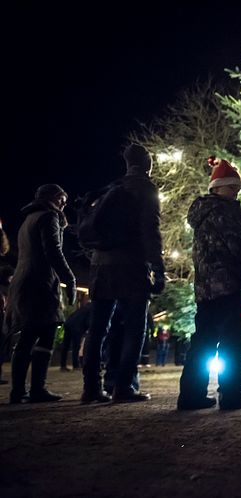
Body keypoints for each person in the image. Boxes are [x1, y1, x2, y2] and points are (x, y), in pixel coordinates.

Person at [81, 143, 165, 403]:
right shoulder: (146, 189)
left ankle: (91, 388)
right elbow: (150, 231)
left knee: (98, 328)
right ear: (148, 164)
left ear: (127, 163)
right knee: (135, 326)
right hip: (131, 264)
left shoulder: (112, 187)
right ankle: (124, 386)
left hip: (100, 265)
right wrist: (158, 269)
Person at [177, 159, 241, 411]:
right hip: (229, 284)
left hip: (206, 289)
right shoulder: (225, 211)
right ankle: (231, 395)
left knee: (203, 342)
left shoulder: (202, 214)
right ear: (218, 188)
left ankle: (191, 395)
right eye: (232, 188)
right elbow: (236, 245)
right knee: (234, 341)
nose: (236, 193)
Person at [6, 184, 76, 403]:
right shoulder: (48, 217)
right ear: (51, 198)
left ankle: (18, 391)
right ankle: (38, 388)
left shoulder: (28, 220)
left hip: (23, 280)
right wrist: (69, 278)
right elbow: (53, 251)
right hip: (40, 282)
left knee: (28, 335)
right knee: (46, 333)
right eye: (61, 200)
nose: (63, 205)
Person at [60, 300, 92, 371]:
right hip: (77, 327)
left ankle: (63, 365)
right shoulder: (92, 309)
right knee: (76, 346)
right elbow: (88, 321)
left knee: (66, 344)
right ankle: (76, 365)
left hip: (69, 323)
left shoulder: (84, 307)